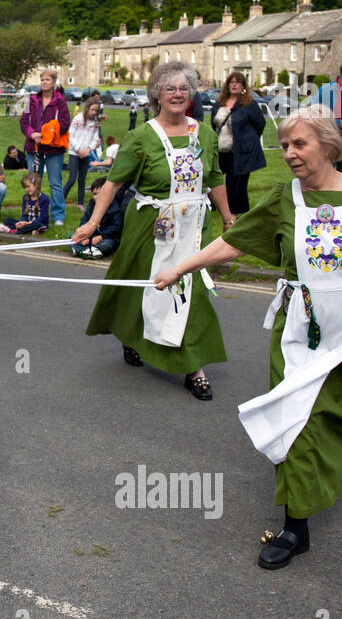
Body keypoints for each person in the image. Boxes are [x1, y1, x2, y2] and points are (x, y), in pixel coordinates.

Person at [152, 104, 342, 570]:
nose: (289, 154)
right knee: (298, 419)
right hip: (302, 324)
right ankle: (295, 528)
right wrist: (179, 268)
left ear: (328, 146)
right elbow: (236, 239)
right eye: (284, 145)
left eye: (299, 144)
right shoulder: (287, 198)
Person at [73, 62, 233, 401]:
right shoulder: (141, 137)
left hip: (192, 230)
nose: (177, 94)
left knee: (189, 294)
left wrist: (228, 218)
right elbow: (114, 184)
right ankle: (132, 336)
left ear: (191, 93)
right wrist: (92, 223)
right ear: (157, 94)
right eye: (170, 88)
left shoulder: (204, 134)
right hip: (150, 226)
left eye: (183, 88)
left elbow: (215, 178)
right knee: (143, 286)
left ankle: (194, 368)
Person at [209, 71, 265, 216]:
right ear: (227, 85)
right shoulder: (219, 103)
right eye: (231, 82)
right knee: (212, 179)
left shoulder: (249, 104)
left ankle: (235, 213)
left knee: (236, 186)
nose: (234, 85)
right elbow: (214, 124)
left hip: (240, 152)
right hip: (221, 150)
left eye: (237, 82)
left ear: (243, 85)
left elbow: (260, 124)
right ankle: (213, 205)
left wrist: (247, 140)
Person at [20, 70, 71, 225]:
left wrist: (47, 133)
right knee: (33, 181)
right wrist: (32, 134)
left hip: (54, 149)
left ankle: (58, 216)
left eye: (47, 79)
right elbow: (23, 122)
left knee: (55, 182)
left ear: (54, 82)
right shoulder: (32, 100)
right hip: (33, 147)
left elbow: (65, 124)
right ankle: (32, 213)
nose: (44, 82)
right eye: (42, 79)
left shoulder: (60, 101)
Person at [70, 176, 128, 258]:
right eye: (94, 194)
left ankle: (91, 250)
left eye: (100, 194)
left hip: (106, 237)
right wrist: (83, 236)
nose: (97, 197)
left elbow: (115, 228)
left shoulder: (115, 207)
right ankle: (84, 250)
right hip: (92, 235)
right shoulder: (91, 205)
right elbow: (84, 220)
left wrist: (101, 237)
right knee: (73, 236)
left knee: (108, 244)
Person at [65, 98, 102, 210]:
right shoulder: (78, 119)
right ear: (87, 108)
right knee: (72, 179)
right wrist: (78, 149)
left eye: (96, 110)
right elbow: (70, 135)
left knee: (82, 179)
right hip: (75, 153)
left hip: (85, 154)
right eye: (92, 110)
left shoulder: (95, 123)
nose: (94, 112)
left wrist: (89, 149)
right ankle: (61, 200)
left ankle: (80, 204)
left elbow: (95, 138)